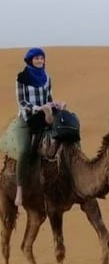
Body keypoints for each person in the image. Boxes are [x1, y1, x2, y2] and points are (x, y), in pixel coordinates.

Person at [14, 47, 66, 207]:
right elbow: (22, 102)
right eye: (36, 58)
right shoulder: (22, 78)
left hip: (45, 116)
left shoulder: (46, 77)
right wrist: (38, 108)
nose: (39, 61)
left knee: (64, 140)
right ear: (30, 60)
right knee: (24, 152)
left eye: (41, 58)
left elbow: (48, 98)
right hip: (28, 118)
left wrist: (55, 104)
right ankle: (19, 190)